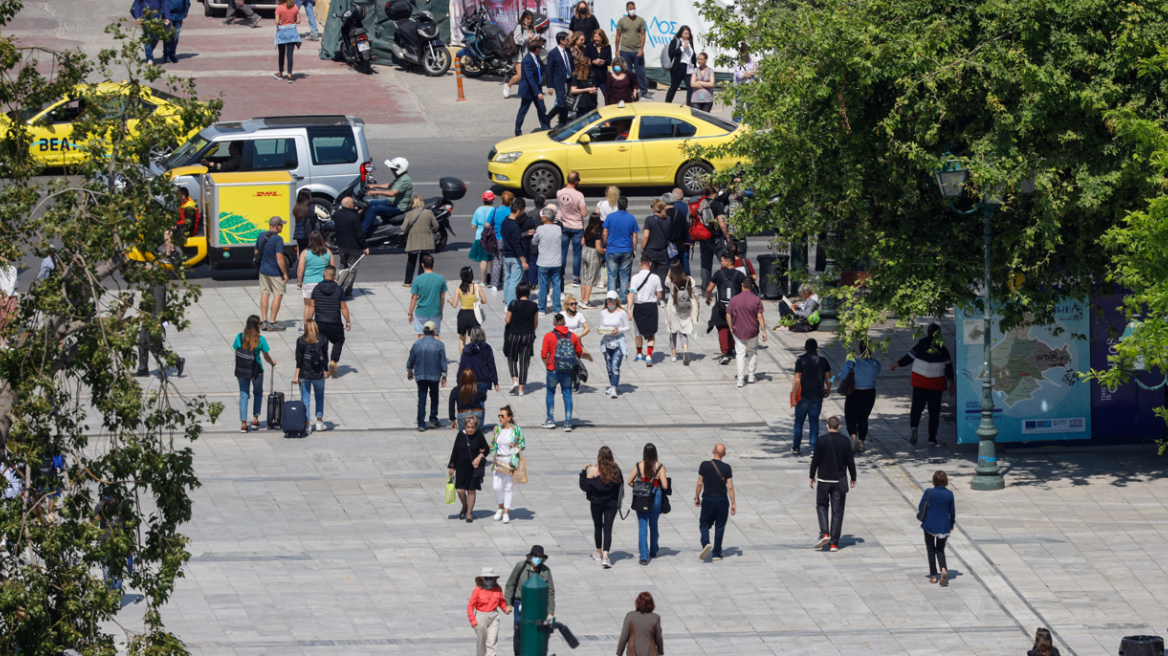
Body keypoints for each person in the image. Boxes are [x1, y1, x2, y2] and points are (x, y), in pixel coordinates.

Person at [890, 324, 955, 445]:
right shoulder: (943, 349)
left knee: (916, 409)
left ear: (927, 333)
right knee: (934, 412)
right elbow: (949, 369)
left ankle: (914, 427)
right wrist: (952, 384)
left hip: (920, 384)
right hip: (936, 385)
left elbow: (907, 359)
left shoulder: (920, 346)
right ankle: (932, 438)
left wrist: (894, 365)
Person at [809, 417, 857, 553]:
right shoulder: (845, 441)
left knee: (822, 506)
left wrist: (812, 476)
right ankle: (834, 543)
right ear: (839, 427)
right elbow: (850, 461)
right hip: (838, 482)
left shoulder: (821, 440)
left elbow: (815, 460)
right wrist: (853, 477)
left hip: (824, 480)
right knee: (837, 511)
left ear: (827, 426)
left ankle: (824, 533)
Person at [504, 544, 553, 655]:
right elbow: (510, 584)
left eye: (540, 556)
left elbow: (550, 591)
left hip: (536, 606)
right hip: (519, 604)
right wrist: (508, 603)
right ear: (530, 556)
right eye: (535, 555)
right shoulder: (520, 566)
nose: (537, 558)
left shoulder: (546, 571)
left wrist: (550, 611)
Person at [832, 341, 880, 453]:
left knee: (850, 417)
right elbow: (878, 371)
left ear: (859, 350)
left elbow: (842, 376)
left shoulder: (851, 362)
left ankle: (853, 438)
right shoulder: (875, 364)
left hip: (854, 392)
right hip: (869, 393)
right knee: (863, 418)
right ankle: (862, 443)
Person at [540, 313, 583, 431]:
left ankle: (550, 420)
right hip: (568, 370)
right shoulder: (573, 336)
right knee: (567, 394)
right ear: (565, 323)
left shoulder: (548, 336)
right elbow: (579, 352)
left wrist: (548, 365)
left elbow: (544, 354)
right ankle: (568, 423)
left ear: (553, 323)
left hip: (553, 369)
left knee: (550, 393)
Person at [233, 315, 276, 433]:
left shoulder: (240, 337)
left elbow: (236, 351)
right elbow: (266, 356)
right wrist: (272, 362)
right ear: (255, 325)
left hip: (242, 370)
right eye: (259, 323)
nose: (261, 325)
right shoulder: (260, 339)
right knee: (258, 393)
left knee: (243, 395)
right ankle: (255, 420)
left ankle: (243, 424)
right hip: (256, 370)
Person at [580, 446, 621, 568]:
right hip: (611, 504)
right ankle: (606, 557)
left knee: (598, 527)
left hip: (596, 503)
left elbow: (584, 486)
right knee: (608, 529)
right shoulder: (615, 470)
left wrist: (583, 472)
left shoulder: (593, 470)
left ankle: (598, 553)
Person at [628, 443, 668, 565]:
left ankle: (643, 556)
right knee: (654, 524)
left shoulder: (638, 466)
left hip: (641, 498)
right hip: (656, 496)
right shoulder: (660, 467)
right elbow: (665, 486)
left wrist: (640, 487)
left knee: (642, 526)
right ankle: (654, 549)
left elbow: (630, 482)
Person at [695, 443, 735, 562]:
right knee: (720, 527)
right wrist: (733, 503)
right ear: (724, 454)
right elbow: (730, 487)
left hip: (708, 499)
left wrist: (696, 497)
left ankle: (706, 542)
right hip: (722, 500)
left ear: (713, 451)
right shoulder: (727, 468)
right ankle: (716, 554)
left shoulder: (704, 465)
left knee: (704, 524)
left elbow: (699, 483)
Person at [406, 320, 448, 431]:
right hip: (434, 376)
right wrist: (444, 375)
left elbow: (411, 360)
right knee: (434, 397)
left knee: (422, 399)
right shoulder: (439, 345)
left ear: (424, 331)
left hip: (420, 375)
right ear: (434, 331)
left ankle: (421, 423)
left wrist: (409, 370)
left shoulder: (417, 344)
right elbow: (443, 362)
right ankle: (433, 419)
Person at [725, 276, 766, 387]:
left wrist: (730, 327)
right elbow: (760, 316)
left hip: (738, 330)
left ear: (742, 285)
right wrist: (764, 331)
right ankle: (751, 376)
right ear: (753, 286)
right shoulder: (756, 299)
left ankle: (740, 379)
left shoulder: (734, 299)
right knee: (752, 351)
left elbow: (728, 314)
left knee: (740, 354)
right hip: (753, 330)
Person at [705, 252, 745, 365]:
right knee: (733, 327)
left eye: (721, 261)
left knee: (722, 329)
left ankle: (724, 353)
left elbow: (709, 289)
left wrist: (708, 299)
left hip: (721, 306)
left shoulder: (719, 274)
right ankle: (732, 350)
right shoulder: (740, 275)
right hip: (735, 307)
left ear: (727, 262)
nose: (720, 262)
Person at [449, 414, 491, 522]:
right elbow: (455, 451)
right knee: (460, 490)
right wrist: (452, 466)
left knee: (471, 490)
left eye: (472, 427)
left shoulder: (479, 435)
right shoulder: (460, 435)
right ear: (465, 426)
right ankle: (465, 505)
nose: (470, 429)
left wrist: (479, 457)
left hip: (474, 468)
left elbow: (486, 449)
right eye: (468, 427)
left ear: (476, 427)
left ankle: (469, 513)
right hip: (461, 467)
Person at [793, 338, 831, 454]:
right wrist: (828, 389)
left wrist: (794, 396)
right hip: (817, 396)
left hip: (803, 395)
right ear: (816, 348)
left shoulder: (800, 360)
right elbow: (830, 378)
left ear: (805, 348)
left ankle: (796, 446)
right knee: (814, 421)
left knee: (799, 421)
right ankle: (813, 447)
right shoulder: (823, 361)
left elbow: (797, 379)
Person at [311, 265, 350, 378]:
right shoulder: (339, 290)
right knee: (339, 341)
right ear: (334, 276)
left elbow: (312, 306)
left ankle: (325, 370)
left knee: (322, 345)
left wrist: (308, 322)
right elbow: (343, 307)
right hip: (335, 322)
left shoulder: (316, 288)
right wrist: (348, 321)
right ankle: (333, 360)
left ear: (324, 274)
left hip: (319, 322)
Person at [491, 406, 527, 524]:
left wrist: (515, 446)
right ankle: (501, 506)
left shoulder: (516, 430)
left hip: (510, 460)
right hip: (499, 460)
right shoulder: (497, 429)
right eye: (499, 416)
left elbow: (522, 445)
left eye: (503, 416)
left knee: (508, 487)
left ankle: (506, 511)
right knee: (496, 486)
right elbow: (493, 444)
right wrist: (484, 451)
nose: (500, 418)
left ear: (509, 417)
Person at [919, 469, 956, 585]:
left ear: (934, 480)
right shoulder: (949, 494)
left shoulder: (929, 492)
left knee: (930, 550)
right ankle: (943, 569)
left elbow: (921, 507)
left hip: (930, 525)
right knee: (940, 550)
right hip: (944, 526)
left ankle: (934, 576)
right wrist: (951, 524)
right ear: (945, 480)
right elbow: (952, 512)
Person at [293, 319, 329, 434]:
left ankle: (307, 424)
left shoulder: (301, 340)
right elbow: (325, 356)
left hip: (304, 373)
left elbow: (299, 360)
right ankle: (319, 422)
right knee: (319, 397)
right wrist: (326, 369)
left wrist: (296, 376)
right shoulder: (323, 339)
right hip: (319, 373)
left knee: (305, 399)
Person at [503, 283, 539, 396]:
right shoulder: (533, 306)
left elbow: (507, 320)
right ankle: (521, 389)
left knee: (512, 357)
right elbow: (535, 323)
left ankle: (515, 380)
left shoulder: (513, 304)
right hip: (528, 336)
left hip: (514, 335)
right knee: (524, 361)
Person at [255, 216, 289, 331]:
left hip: (263, 270)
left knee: (265, 294)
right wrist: (285, 273)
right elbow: (279, 258)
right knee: (278, 294)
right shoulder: (278, 239)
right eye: (281, 225)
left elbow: (256, 252)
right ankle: (272, 322)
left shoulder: (261, 236)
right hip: (275, 271)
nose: (282, 227)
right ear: (276, 226)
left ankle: (264, 322)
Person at [627, 256, 663, 366]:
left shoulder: (635, 278)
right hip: (651, 307)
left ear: (640, 263)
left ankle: (639, 353)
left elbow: (632, 294)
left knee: (638, 332)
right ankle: (648, 356)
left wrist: (628, 309)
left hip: (639, 307)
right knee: (651, 333)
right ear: (650, 263)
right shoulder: (656, 278)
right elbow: (660, 295)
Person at [331, 197, 368, 300]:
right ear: (350, 205)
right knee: (352, 268)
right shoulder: (354, 217)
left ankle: (339, 285)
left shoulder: (337, 214)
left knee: (343, 266)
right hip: (353, 247)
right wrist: (364, 246)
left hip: (341, 245)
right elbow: (359, 233)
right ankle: (347, 290)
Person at [363, 157, 413, 235]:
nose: (392, 171)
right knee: (372, 203)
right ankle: (367, 223)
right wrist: (373, 186)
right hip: (392, 202)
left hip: (398, 207)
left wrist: (376, 192)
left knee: (374, 209)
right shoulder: (400, 178)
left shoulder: (404, 180)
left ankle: (363, 231)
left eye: (393, 169)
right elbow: (390, 185)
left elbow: (392, 193)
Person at [603, 197, 639, 299]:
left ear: (617, 205)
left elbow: (605, 233)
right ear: (627, 206)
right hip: (627, 250)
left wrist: (606, 245)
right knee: (624, 277)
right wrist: (634, 249)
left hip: (612, 250)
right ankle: (623, 299)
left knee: (612, 276)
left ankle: (611, 299)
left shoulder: (610, 217)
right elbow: (635, 236)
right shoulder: (631, 218)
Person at [467, 566, 509, 655]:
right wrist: (473, 621)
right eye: (486, 578)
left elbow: (501, 602)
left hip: (494, 616)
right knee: (482, 643)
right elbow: (470, 606)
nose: (489, 580)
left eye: (491, 578)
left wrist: (506, 609)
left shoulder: (498, 588)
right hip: (481, 617)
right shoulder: (477, 590)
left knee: (492, 641)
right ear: (481, 578)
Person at [664, 261, 699, 365]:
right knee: (683, 332)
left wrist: (669, 271)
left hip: (674, 309)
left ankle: (673, 355)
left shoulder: (670, 281)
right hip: (686, 309)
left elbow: (666, 280)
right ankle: (685, 350)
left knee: (673, 332)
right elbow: (695, 292)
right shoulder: (689, 279)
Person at [556, 172, 588, 286]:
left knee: (562, 253)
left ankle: (561, 276)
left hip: (564, 226)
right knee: (577, 254)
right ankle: (576, 278)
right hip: (577, 227)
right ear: (576, 181)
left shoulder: (559, 193)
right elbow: (584, 213)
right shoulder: (579, 195)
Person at [296, 230, 332, 331]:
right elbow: (332, 268)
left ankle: (305, 327)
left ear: (310, 240)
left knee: (308, 305)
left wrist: (299, 281)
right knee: (321, 306)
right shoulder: (328, 252)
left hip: (308, 282)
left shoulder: (305, 253)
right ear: (321, 239)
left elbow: (300, 269)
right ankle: (321, 326)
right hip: (323, 283)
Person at [514, 38, 550, 136]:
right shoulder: (527, 60)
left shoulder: (535, 58)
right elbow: (530, 78)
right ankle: (517, 131)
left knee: (541, 108)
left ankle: (545, 128)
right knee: (523, 110)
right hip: (529, 90)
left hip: (536, 88)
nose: (541, 49)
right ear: (537, 49)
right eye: (540, 48)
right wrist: (537, 92)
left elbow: (539, 70)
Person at [598, 291, 630, 398]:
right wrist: (600, 330)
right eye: (608, 300)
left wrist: (618, 330)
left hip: (618, 342)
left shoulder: (622, 312)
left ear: (616, 300)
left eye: (612, 300)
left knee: (615, 366)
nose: (610, 302)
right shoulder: (603, 313)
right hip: (607, 342)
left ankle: (614, 387)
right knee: (609, 366)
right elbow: (602, 325)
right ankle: (612, 385)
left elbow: (627, 327)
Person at [402, 195, 439, 286]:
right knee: (424, 262)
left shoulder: (410, 214)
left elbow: (403, 228)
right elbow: (436, 226)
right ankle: (422, 281)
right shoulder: (429, 213)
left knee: (411, 261)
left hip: (414, 242)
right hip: (427, 242)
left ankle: (407, 282)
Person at [408, 254, 447, 340]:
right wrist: (441, 311)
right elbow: (442, 297)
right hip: (435, 312)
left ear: (422, 264)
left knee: (421, 334)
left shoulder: (417, 279)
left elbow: (414, 298)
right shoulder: (441, 279)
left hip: (421, 312)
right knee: (436, 334)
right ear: (433, 264)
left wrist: (410, 313)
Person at [614, 1, 648, 98]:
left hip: (637, 50)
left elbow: (643, 35)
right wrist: (617, 50)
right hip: (625, 50)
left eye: (633, 8)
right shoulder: (622, 21)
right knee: (627, 73)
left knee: (640, 72)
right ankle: (629, 92)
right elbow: (618, 36)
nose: (632, 10)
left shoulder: (640, 20)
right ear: (626, 9)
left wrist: (641, 49)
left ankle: (644, 92)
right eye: (630, 8)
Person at [532, 207, 563, 314]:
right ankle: (557, 308)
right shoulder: (558, 228)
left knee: (543, 286)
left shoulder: (540, 229)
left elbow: (534, 241)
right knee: (556, 285)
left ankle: (541, 308)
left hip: (543, 262)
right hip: (556, 262)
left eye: (542, 216)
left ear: (546, 218)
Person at [500, 197, 529, 306]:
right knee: (514, 282)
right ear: (518, 211)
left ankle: (507, 302)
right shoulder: (515, 226)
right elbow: (516, 245)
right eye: (522, 211)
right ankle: (511, 305)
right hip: (515, 258)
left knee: (507, 281)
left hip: (506, 255)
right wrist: (523, 261)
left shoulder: (504, 222)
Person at [459, 326, 501, 400]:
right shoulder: (487, 347)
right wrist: (495, 382)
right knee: (480, 402)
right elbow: (491, 365)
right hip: (483, 379)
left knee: (470, 401)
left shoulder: (466, 349)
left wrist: (459, 381)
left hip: (470, 379)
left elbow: (462, 366)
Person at [450, 267, 486, 350]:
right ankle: (469, 358)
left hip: (463, 315)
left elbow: (455, 305)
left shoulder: (458, 289)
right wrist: (477, 302)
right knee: (471, 338)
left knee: (462, 339)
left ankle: (463, 359)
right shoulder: (477, 287)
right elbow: (484, 300)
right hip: (474, 315)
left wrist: (450, 301)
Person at [503, 10, 538, 97]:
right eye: (528, 18)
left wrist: (536, 38)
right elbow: (517, 40)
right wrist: (527, 37)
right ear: (523, 18)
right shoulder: (519, 27)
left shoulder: (532, 27)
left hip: (528, 54)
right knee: (520, 75)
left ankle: (527, 91)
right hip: (519, 55)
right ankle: (507, 86)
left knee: (529, 74)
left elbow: (533, 37)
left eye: (531, 19)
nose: (529, 20)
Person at [640, 199, 673, 284]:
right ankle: (661, 297)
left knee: (649, 276)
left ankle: (650, 296)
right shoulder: (668, 219)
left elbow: (645, 236)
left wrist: (642, 247)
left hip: (650, 251)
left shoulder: (649, 219)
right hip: (663, 252)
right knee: (661, 277)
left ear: (654, 208)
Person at [470, 191, 497, 286]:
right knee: (492, 259)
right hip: (492, 237)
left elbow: (473, 225)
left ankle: (482, 281)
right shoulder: (494, 210)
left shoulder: (478, 210)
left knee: (483, 259)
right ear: (492, 200)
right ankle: (494, 280)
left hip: (480, 237)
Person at [131, 0, 172, 64]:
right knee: (148, 37)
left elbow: (164, 3)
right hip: (145, 16)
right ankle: (149, 58)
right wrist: (137, 17)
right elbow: (137, 2)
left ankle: (149, 51)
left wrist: (167, 17)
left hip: (157, 18)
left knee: (156, 37)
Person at [449, 368, 489, 433]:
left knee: (463, 437)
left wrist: (452, 419)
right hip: (476, 413)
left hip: (463, 414)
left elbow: (451, 405)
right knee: (476, 436)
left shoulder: (455, 390)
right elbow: (484, 398)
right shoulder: (478, 389)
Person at [546, 32, 573, 127]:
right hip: (559, 82)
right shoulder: (553, 53)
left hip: (569, 81)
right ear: (561, 41)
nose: (568, 41)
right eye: (567, 39)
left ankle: (562, 123)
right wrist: (549, 86)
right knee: (561, 103)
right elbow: (549, 70)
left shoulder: (568, 51)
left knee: (566, 104)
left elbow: (571, 65)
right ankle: (548, 117)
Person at [490, 191, 515, 293]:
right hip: (508, 239)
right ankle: (506, 282)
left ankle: (494, 285)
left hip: (496, 239)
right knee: (506, 262)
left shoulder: (495, 211)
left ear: (501, 200)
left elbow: (487, 224)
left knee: (496, 261)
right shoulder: (512, 212)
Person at [579, 212, 605, 308]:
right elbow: (598, 248)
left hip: (585, 252)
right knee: (590, 279)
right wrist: (604, 251)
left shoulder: (587, 229)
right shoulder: (597, 232)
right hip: (593, 254)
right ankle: (586, 301)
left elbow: (582, 242)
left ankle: (582, 299)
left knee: (584, 278)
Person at [665, 25, 696, 105]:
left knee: (690, 88)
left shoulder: (690, 43)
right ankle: (667, 104)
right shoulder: (676, 41)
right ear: (681, 33)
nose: (687, 35)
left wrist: (695, 67)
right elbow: (671, 53)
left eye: (688, 34)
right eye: (685, 33)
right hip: (678, 68)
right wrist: (682, 48)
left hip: (689, 68)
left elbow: (693, 56)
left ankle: (689, 106)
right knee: (674, 87)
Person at [274, 0, 301, 82]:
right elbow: (299, 21)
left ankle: (280, 73)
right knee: (290, 55)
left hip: (282, 33)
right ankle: (290, 75)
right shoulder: (295, 7)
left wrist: (281, 22)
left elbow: (276, 22)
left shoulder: (279, 8)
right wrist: (292, 21)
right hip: (292, 33)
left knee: (281, 54)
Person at [667, 188, 692, 275]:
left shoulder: (670, 208)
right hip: (685, 240)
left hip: (672, 240)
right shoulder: (687, 207)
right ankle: (687, 279)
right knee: (684, 260)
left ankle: (671, 280)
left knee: (671, 261)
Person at [586, 29, 613, 99]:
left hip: (603, 77)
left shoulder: (607, 47)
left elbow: (609, 61)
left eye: (597, 37)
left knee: (608, 98)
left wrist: (603, 62)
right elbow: (584, 59)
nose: (595, 39)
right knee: (593, 99)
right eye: (594, 37)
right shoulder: (589, 46)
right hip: (592, 77)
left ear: (602, 37)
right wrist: (593, 61)